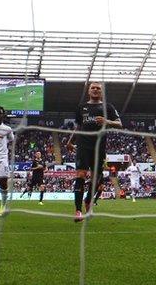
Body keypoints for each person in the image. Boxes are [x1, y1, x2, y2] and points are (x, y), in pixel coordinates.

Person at [66, 81, 122, 222]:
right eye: (93, 88)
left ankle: (88, 200)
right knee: (81, 174)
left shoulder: (108, 107)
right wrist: (70, 141)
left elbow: (119, 124)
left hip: (99, 147)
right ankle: (78, 210)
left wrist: (107, 121)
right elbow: (78, 126)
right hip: (83, 145)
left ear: (101, 92)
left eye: (98, 88)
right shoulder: (81, 107)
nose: (96, 90)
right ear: (89, 91)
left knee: (96, 178)